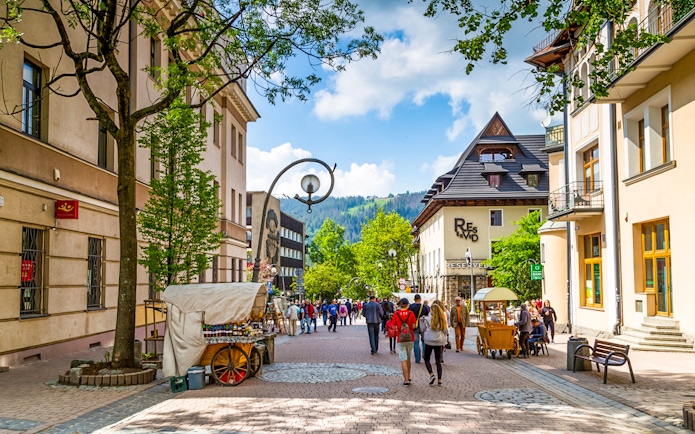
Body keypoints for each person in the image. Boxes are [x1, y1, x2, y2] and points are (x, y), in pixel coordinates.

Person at [421, 300, 448, 386]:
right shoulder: (442, 320)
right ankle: (439, 380)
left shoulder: (427, 319)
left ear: (432, 310)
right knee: (438, 361)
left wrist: (421, 321)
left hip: (429, 341)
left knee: (427, 359)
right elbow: (445, 331)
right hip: (439, 342)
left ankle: (431, 374)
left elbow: (422, 329)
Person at [393, 298, 416, 385]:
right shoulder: (411, 313)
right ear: (407, 305)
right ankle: (409, 376)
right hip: (410, 338)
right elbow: (414, 326)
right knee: (409, 357)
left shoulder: (396, 314)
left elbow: (393, 327)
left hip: (400, 338)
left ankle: (406, 379)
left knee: (403, 358)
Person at [409, 294, 430, 363]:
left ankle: (417, 359)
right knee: (424, 341)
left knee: (416, 342)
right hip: (423, 325)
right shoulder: (424, 306)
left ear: (414, 299)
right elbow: (428, 314)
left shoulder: (411, 307)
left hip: (414, 326)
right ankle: (425, 354)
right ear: (420, 299)